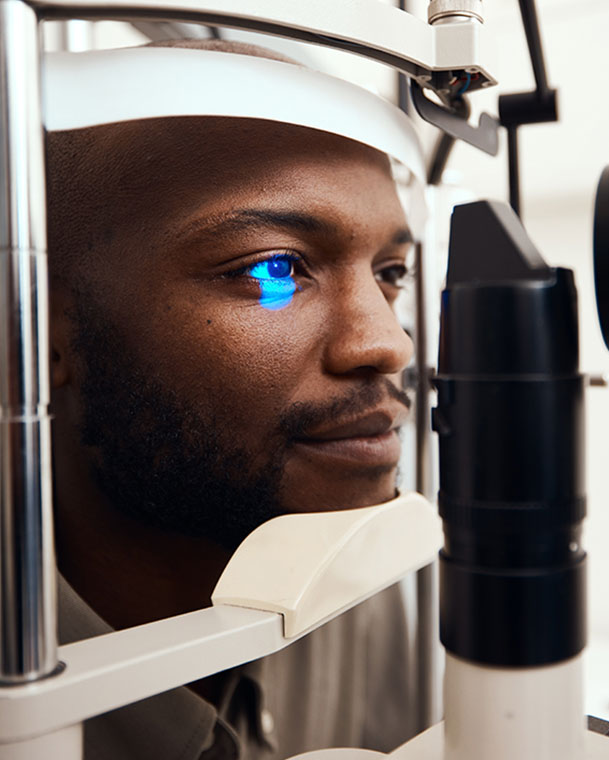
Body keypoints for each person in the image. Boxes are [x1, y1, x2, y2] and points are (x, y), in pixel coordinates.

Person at [48, 39, 426, 760]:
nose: (386, 344)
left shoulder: (360, 578)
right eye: (274, 269)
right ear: (34, 339)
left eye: (390, 271)